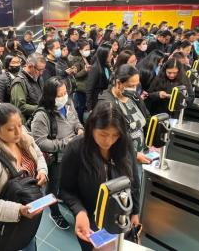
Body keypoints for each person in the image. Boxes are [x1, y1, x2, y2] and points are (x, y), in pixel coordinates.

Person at [59, 101, 141, 251]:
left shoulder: (124, 142)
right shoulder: (76, 149)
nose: (109, 141)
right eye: (103, 134)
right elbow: (66, 190)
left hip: (121, 216)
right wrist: (79, 212)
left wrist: (135, 211)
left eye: (115, 135)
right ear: (91, 127)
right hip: (90, 222)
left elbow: (134, 179)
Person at [0, 101, 47, 250]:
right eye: (11, 129)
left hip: (27, 212)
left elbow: (37, 154)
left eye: (20, 124)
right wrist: (18, 210)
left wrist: (42, 170)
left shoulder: (22, 137)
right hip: (6, 223)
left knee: (29, 243)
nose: (19, 131)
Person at [31, 77, 84, 230]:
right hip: (56, 158)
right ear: (50, 96)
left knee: (69, 180)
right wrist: (65, 143)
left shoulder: (68, 103)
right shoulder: (42, 115)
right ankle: (54, 211)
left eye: (65, 93)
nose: (64, 97)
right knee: (53, 186)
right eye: (59, 95)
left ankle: (63, 197)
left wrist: (79, 129)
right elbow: (40, 142)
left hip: (72, 153)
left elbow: (75, 120)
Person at [99, 65, 152, 169]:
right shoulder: (107, 104)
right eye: (131, 86)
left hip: (140, 154)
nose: (134, 89)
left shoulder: (134, 97)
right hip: (120, 160)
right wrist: (133, 155)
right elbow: (108, 140)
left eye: (136, 85)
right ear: (118, 83)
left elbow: (146, 116)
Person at [10, 53, 46, 121]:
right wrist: (41, 108)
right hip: (27, 123)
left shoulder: (38, 77)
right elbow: (20, 107)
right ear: (30, 66)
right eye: (39, 70)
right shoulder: (19, 82)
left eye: (43, 70)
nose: (41, 73)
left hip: (39, 117)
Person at [69, 40, 91, 123]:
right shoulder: (76, 60)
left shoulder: (85, 57)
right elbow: (76, 75)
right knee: (81, 106)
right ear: (80, 50)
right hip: (80, 87)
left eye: (88, 49)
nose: (88, 51)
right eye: (86, 49)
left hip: (86, 85)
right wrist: (85, 70)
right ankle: (81, 122)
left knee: (85, 104)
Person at [86, 46, 112, 111]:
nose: (112, 57)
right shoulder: (95, 68)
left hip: (105, 98)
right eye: (110, 55)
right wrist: (90, 108)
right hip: (97, 100)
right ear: (104, 56)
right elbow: (89, 89)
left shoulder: (106, 66)